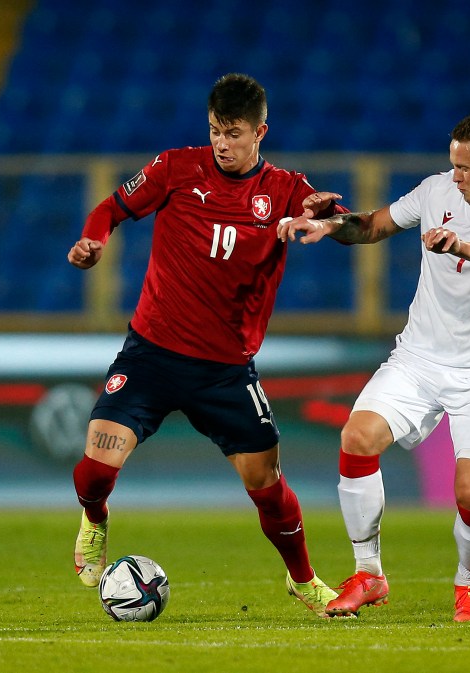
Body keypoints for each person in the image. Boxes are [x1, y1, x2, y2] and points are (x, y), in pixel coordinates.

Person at [67, 73, 349, 618]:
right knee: (97, 465)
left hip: (225, 370)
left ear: (260, 132)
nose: (222, 143)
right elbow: (110, 209)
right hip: (150, 352)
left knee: (266, 484)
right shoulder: (175, 167)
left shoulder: (288, 190)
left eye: (235, 133)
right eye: (216, 130)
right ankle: (94, 520)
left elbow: (330, 216)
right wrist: (93, 241)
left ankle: (304, 579)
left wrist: (324, 221)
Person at [278, 110, 470, 622]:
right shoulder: (436, 191)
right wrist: (327, 224)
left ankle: (469, 585)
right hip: (420, 357)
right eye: (452, 166)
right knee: (357, 437)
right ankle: (369, 574)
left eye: (465, 168)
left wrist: (461, 244)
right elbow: (372, 226)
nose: (455, 177)